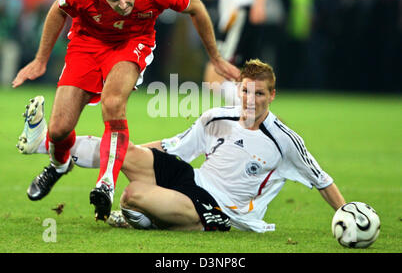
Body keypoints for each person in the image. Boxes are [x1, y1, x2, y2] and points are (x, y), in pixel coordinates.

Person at [12, 0, 239, 221]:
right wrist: (40, 60)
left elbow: (197, 7)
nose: (123, 4)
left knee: (113, 103)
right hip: (86, 45)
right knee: (60, 128)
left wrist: (216, 58)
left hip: (132, 43)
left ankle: (105, 184)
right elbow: (57, 10)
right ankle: (59, 164)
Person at [18, 59, 346, 232]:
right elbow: (173, 146)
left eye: (259, 94)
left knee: (132, 196)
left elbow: (322, 179)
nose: (250, 100)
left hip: (219, 208)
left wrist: (346, 213)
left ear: (272, 96)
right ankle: (44, 142)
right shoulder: (218, 117)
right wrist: (119, 158)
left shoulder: (285, 140)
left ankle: (143, 216)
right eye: (246, 92)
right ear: (239, 91)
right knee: (128, 150)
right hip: (192, 179)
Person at [176, 0, 275, 104]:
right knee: (236, 75)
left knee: (215, 74)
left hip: (241, 11)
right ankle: (251, 115)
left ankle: (253, 112)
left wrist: (260, 2)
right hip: (229, 17)